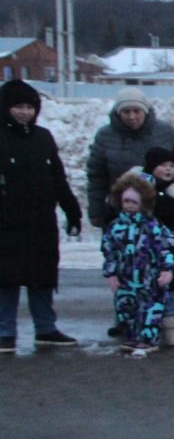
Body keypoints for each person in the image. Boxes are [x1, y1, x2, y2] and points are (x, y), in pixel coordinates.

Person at [0, 79, 82, 353]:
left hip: (40, 222)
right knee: (6, 279)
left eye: (29, 107)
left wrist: (72, 210)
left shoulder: (43, 137)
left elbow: (58, 178)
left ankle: (45, 327)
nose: (24, 112)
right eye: (18, 106)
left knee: (42, 276)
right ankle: (5, 331)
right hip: (7, 222)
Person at [85, 87, 174, 230]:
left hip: (164, 214)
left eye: (137, 111)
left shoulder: (164, 131)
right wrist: (97, 209)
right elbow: (96, 176)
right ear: (118, 113)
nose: (132, 116)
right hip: (123, 211)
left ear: (145, 111)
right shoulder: (106, 136)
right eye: (126, 111)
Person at [101, 173, 174, 358]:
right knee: (126, 309)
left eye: (134, 202)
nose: (129, 206)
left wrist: (167, 269)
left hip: (148, 278)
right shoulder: (115, 227)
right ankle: (132, 336)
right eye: (126, 201)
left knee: (150, 309)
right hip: (125, 278)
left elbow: (165, 248)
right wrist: (111, 274)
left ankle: (148, 339)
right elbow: (109, 251)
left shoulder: (152, 226)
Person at [131, 146, 174, 347]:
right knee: (144, 288)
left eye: (172, 166)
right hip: (142, 251)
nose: (168, 170)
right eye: (163, 166)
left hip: (169, 250)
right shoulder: (139, 192)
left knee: (172, 288)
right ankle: (143, 326)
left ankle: (171, 326)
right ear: (151, 167)